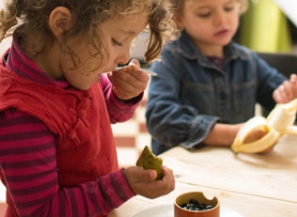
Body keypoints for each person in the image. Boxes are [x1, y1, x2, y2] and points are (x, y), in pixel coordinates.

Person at [0, 0, 175, 216]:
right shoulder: (22, 116)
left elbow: (106, 113)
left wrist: (123, 96)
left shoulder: (73, 64)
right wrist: (123, 185)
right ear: (63, 24)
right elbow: (42, 212)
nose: (124, 57)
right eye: (117, 40)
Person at [145, 0, 297, 155]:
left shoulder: (248, 60)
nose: (222, 20)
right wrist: (234, 134)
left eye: (228, 8)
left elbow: (288, 100)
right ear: (178, 18)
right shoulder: (169, 60)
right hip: (182, 175)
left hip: (236, 171)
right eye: (205, 14)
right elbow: (161, 119)